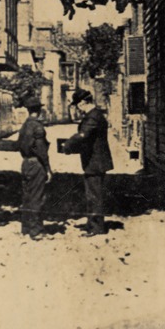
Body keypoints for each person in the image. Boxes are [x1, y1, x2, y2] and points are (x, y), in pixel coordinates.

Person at [61, 88, 113, 236]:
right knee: (92, 194)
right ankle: (92, 224)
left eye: (77, 104)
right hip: (95, 160)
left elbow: (83, 136)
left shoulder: (92, 117)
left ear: (84, 102)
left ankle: (97, 227)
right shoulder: (95, 115)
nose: (77, 107)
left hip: (95, 161)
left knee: (94, 195)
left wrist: (67, 145)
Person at [17, 95, 52, 239]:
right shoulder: (38, 126)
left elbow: (19, 145)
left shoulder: (25, 125)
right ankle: (36, 231)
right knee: (38, 197)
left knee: (27, 196)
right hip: (36, 163)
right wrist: (48, 168)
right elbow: (42, 151)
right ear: (39, 110)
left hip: (25, 162)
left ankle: (26, 228)